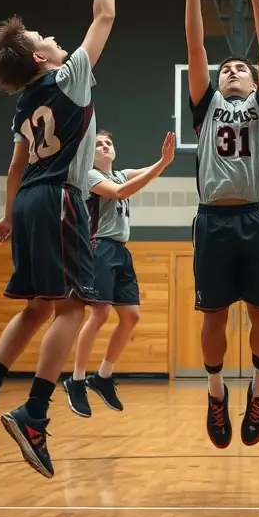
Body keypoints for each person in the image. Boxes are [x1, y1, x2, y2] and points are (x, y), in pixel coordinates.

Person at [0, 0, 115, 479]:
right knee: (73, 308)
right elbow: (105, 16)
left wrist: (8, 215)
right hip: (61, 201)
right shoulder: (68, 76)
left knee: (36, 308)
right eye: (42, 37)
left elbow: (14, 167)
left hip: (28, 203)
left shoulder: (23, 105)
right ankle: (35, 413)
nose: (51, 35)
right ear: (44, 60)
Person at [170, 0, 259, 449]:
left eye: (241, 67)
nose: (233, 70)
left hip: (254, 220)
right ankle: (216, 393)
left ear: (255, 81)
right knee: (213, 316)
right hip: (210, 220)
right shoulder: (206, 106)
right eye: (227, 68)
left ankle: (258, 389)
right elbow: (196, 50)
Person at [63, 129, 176, 416]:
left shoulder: (121, 173)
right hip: (98, 246)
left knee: (131, 316)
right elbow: (121, 193)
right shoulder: (89, 176)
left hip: (121, 251)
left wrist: (163, 161)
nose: (104, 147)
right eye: (98, 144)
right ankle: (76, 380)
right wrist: (160, 166)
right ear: (90, 153)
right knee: (99, 313)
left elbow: (142, 174)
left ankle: (102, 376)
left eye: (108, 143)